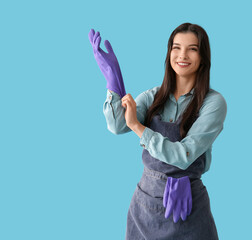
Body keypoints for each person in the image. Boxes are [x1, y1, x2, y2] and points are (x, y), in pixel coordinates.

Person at [89, 22, 227, 240]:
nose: (183, 55)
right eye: (176, 47)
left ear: (203, 57)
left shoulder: (213, 103)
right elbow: (117, 126)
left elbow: (184, 156)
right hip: (146, 207)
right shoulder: (154, 96)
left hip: (189, 207)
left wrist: (138, 126)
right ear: (169, 52)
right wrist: (114, 82)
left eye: (192, 49)